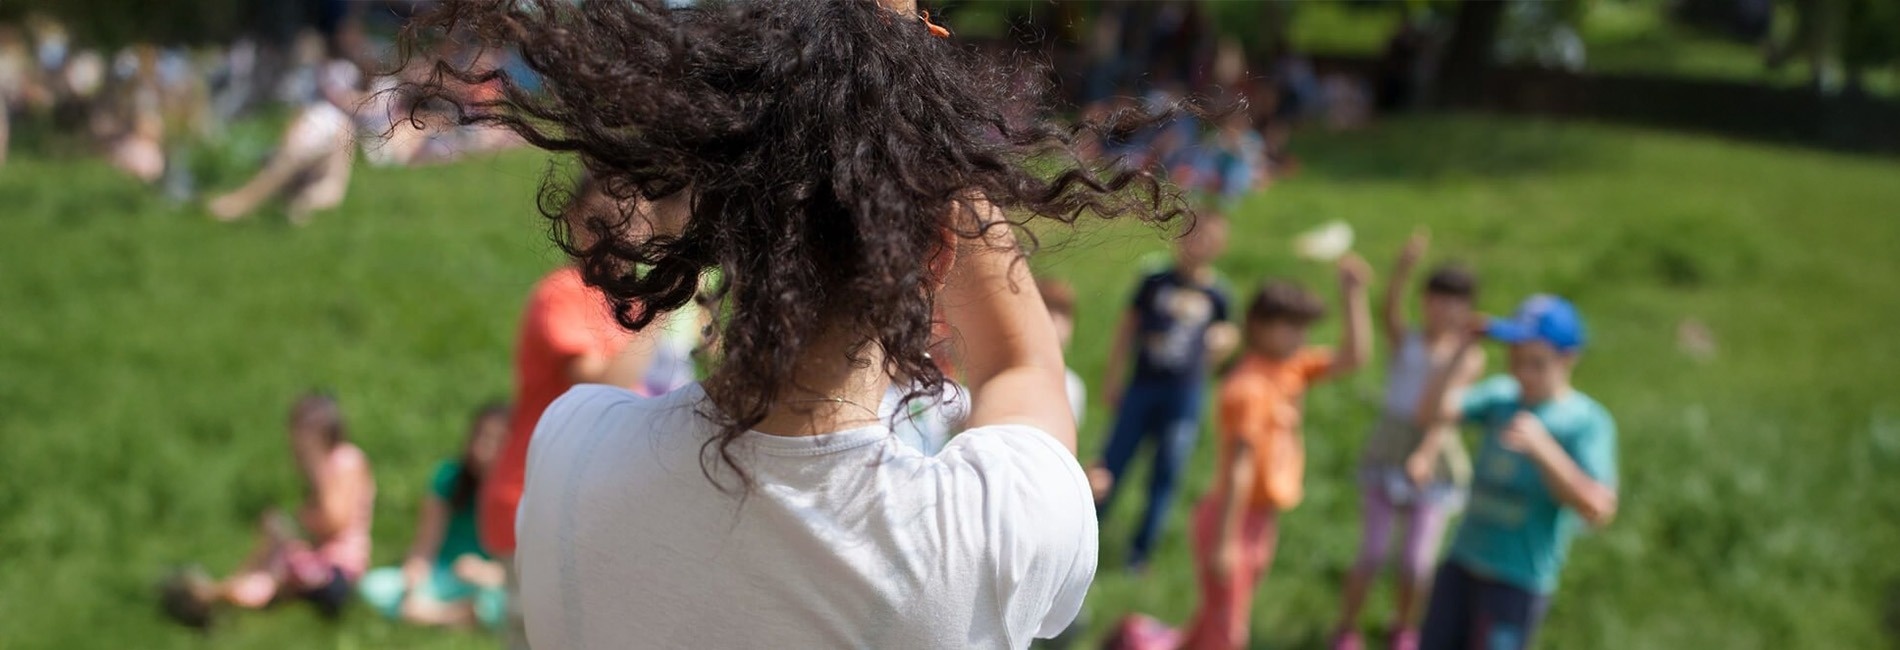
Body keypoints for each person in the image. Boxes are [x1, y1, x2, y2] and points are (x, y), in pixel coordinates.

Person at [400, 0, 1180, 646]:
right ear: (938, 252)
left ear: (708, 221)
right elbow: (1022, 365)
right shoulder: (984, 532)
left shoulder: (572, 455)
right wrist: (903, 78)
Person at [479, 174, 666, 649]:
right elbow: (603, 387)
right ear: (574, 220)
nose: (625, 227)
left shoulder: (630, 305)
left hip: (597, 502)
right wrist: (667, 307)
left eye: (635, 212)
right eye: (607, 216)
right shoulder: (563, 293)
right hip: (538, 499)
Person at [1414, 295, 1619, 650]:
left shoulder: (1585, 422)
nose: (1522, 373)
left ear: (1568, 358)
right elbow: (1429, 413)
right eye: (1515, 360)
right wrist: (1459, 352)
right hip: (1462, 566)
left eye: (1536, 363)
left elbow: (1599, 508)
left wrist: (1545, 451)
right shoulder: (1501, 396)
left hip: (1517, 581)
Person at [1333, 231, 1484, 650]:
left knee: (1417, 563)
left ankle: (1404, 627)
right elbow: (1388, 309)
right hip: (1389, 449)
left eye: (1455, 301)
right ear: (1425, 301)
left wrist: (1425, 453)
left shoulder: (1469, 356)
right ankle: (1346, 628)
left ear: (1467, 308)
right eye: (1436, 298)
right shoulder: (1409, 341)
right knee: (1373, 552)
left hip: (1434, 456)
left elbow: (1440, 415)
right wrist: (1403, 267)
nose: (1444, 308)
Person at [1092, 214, 1237, 571]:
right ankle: (1086, 535)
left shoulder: (1218, 296)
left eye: (1207, 237)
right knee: (1113, 460)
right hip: (1142, 386)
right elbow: (1127, 330)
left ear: (1220, 246)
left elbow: (1224, 347)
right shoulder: (1155, 281)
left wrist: (1226, 344)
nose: (1197, 243)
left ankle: (1140, 553)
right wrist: (1113, 378)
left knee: (1167, 470)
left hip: (1184, 396)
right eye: (1192, 235)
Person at [160, 394, 376, 628]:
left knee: (278, 551)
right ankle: (214, 595)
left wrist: (297, 521)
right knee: (275, 554)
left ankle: (211, 595)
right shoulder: (325, 467)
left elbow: (335, 520)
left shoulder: (345, 461)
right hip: (317, 559)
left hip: (338, 569)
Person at [357, 403, 512, 629]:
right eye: (480, 437)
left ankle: (431, 615)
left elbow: (521, 571)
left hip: (488, 581)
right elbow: (424, 548)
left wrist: (485, 572)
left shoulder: (517, 495)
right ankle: (452, 616)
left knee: (506, 604)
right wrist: (413, 576)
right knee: (372, 587)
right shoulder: (449, 479)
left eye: (495, 441)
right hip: (443, 574)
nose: (483, 449)